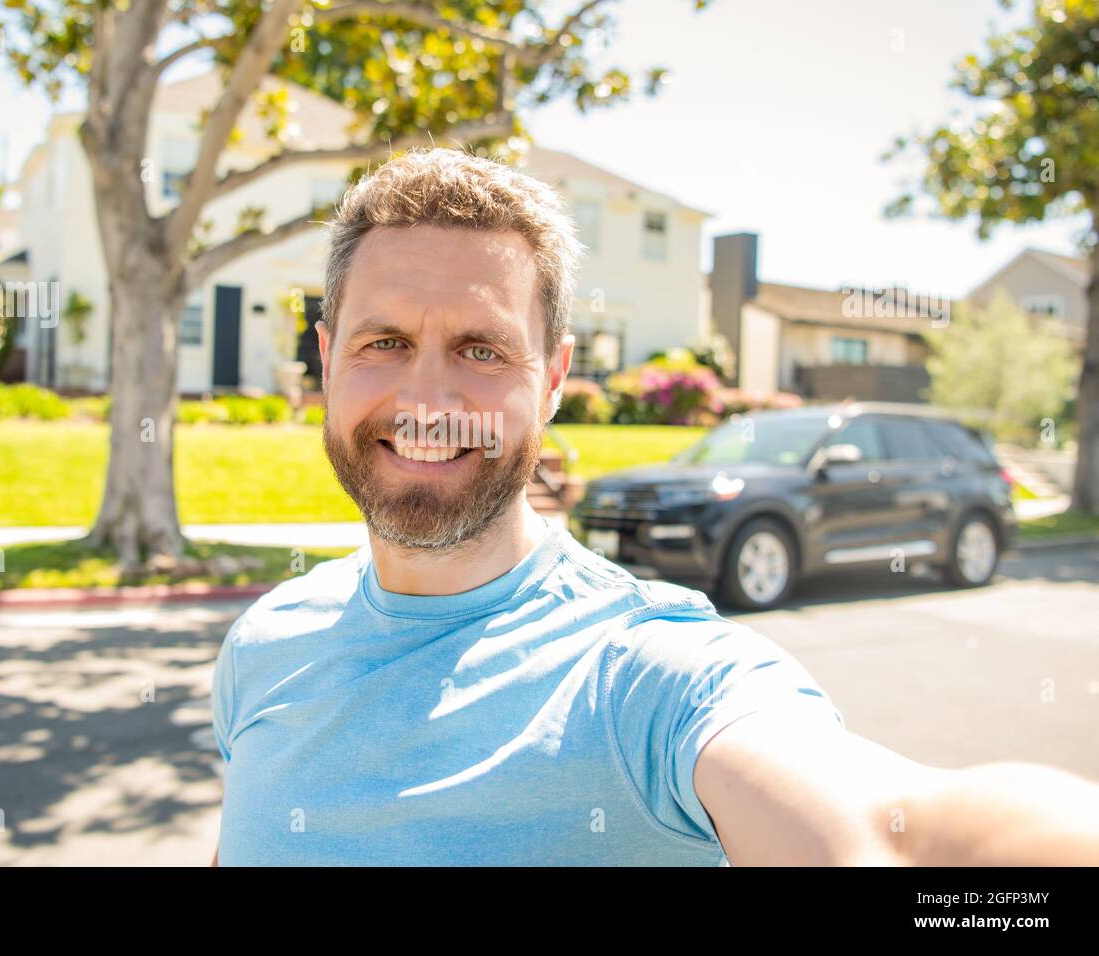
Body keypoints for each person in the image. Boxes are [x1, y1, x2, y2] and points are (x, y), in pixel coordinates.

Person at [210, 147, 1099, 866]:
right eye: (386, 342)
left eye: (482, 350)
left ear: (554, 379)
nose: (431, 398)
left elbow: (894, 837)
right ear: (328, 358)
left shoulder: (655, 676)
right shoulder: (264, 643)